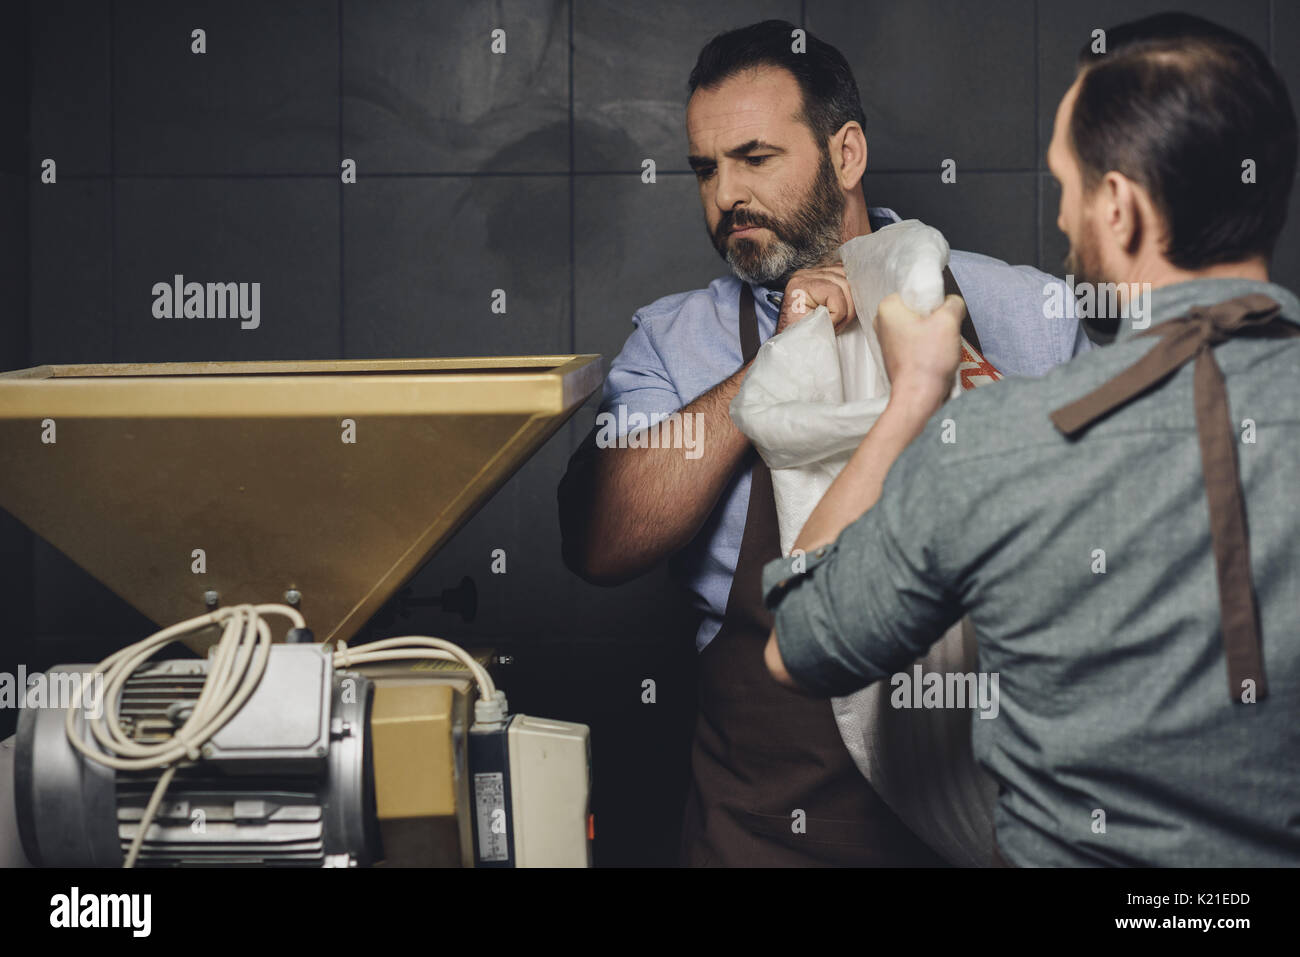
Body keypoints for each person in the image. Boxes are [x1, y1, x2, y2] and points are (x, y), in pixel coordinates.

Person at [763, 12, 1300, 866]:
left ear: (1117, 207)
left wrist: (911, 401)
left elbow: (804, 640)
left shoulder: (990, 445)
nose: (1060, 220)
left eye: (1068, 186)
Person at [558, 19, 1087, 866]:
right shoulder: (673, 342)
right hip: (763, 831)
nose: (724, 193)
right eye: (705, 168)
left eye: (755, 158)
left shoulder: (1022, 311)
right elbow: (602, 539)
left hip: (981, 819)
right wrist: (781, 360)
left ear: (846, 155)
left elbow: (1108, 538)